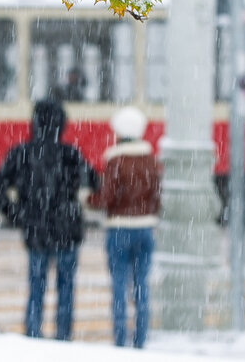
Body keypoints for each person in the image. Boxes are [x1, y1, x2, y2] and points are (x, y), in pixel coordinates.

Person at [0, 99, 98, 340]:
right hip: (67, 232)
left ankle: (33, 338)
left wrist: (18, 215)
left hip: (36, 231)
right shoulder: (70, 154)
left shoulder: (21, 153)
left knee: (36, 290)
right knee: (66, 291)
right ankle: (62, 340)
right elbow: (94, 181)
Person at [88, 106, 161, 349]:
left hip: (118, 230)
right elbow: (157, 197)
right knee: (142, 286)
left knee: (119, 285)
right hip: (145, 230)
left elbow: (106, 198)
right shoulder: (150, 160)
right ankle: (140, 341)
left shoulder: (115, 160)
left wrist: (87, 199)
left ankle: (120, 339)